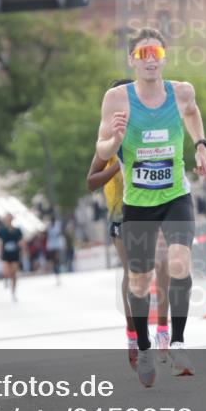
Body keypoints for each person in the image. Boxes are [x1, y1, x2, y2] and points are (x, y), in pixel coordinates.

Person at [96, 27, 206, 387]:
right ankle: (144, 346)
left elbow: (192, 113)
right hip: (138, 203)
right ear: (131, 59)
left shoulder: (182, 92)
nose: (149, 61)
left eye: (156, 54)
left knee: (179, 262)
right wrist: (113, 140)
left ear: (164, 58)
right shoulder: (117, 99)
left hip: (176, 194)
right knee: (141, 282)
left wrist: (201, 144)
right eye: (142, 54)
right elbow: (100, 151)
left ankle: (176, 344)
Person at [87, 85, 172, 372]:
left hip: (153, 207)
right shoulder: (107, 141)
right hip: (121, 215)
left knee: (162, 265)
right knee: (134, 274)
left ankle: (162, 329)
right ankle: (133, 335)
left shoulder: (149, 131)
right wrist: (117, 166)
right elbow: (91, 181)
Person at [0, 214, 24, 302]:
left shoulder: (17, 230)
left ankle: (13, 291)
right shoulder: (1, 230)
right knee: (6, 271)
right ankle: (6, 279)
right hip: (6, 253)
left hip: (15, 253)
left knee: (14, 273)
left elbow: (21, 241)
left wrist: (22, 249)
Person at [45, 217, 64, 285]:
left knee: (56, 260)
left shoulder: (57, 226)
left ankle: (57, 271)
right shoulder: (49, 227)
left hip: (56, 245)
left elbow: (59, 234)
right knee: (54, 260)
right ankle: (56, 271)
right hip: (52, 246)